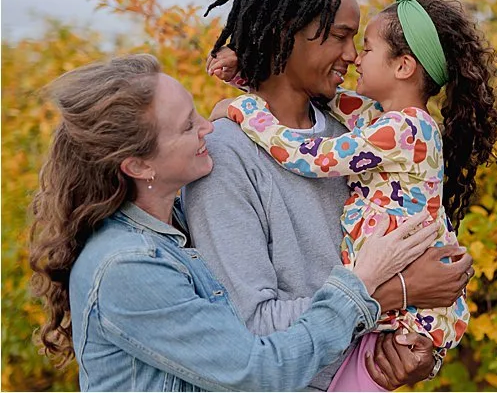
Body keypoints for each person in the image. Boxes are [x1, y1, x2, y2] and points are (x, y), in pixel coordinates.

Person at [26, 51, 443, 391]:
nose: (209, 125)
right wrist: (368, 287)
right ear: (137, 164)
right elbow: (255, 373)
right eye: (188, 125)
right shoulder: (128, 265)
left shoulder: (173, 229)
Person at [187, 0, 472, 391]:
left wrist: (420, 356)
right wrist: (395, 292)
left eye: (360, 42)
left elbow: (313, 147)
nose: (353, 54)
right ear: (286, 34)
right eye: (340, 36)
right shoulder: (226, 158)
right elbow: (251, 326)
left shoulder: (361, 132)